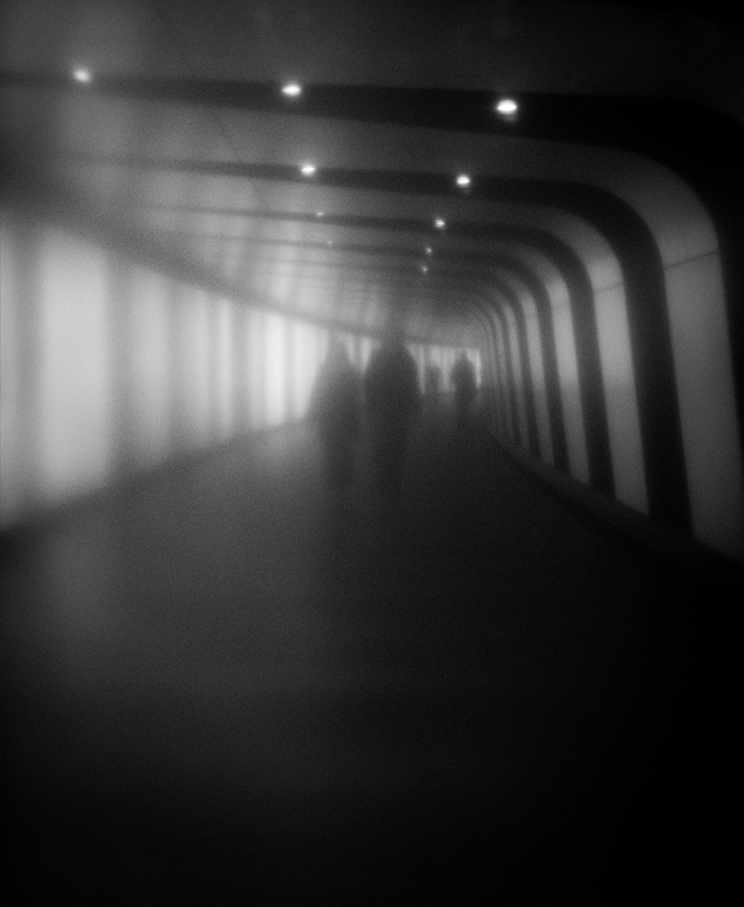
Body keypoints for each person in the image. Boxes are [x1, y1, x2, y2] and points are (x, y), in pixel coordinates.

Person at [364, 330, 421, 496]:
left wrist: (370, 404)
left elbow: (369, 381)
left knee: (382, 442)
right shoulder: (406, 358)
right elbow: (412, 381)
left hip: (381, 409)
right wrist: (415, 403)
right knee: (398, 442)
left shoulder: (376, 357)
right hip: (400, 408)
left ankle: (383, 477)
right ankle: (393, 476)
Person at [308, 341, 362, 491]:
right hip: (346, 419)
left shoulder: (324, 370)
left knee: (331, 451)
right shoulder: (351, 371)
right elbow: (357, 397)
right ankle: (344, 480)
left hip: (329, 419)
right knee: (345, 450)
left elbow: (316, 394)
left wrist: (311, 416)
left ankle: (335, 482)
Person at [450, 352, 477, 429]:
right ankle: (465, 419)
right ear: (466, 356)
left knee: (459, 404)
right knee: (466, 403)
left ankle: (460, 420)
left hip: (459, 387)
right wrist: (473, 387)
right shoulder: (470, 364)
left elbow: (453, 373)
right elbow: (473, 376)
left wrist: (452, 381)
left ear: (461, 356)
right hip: (467, 387)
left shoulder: (457, 364)